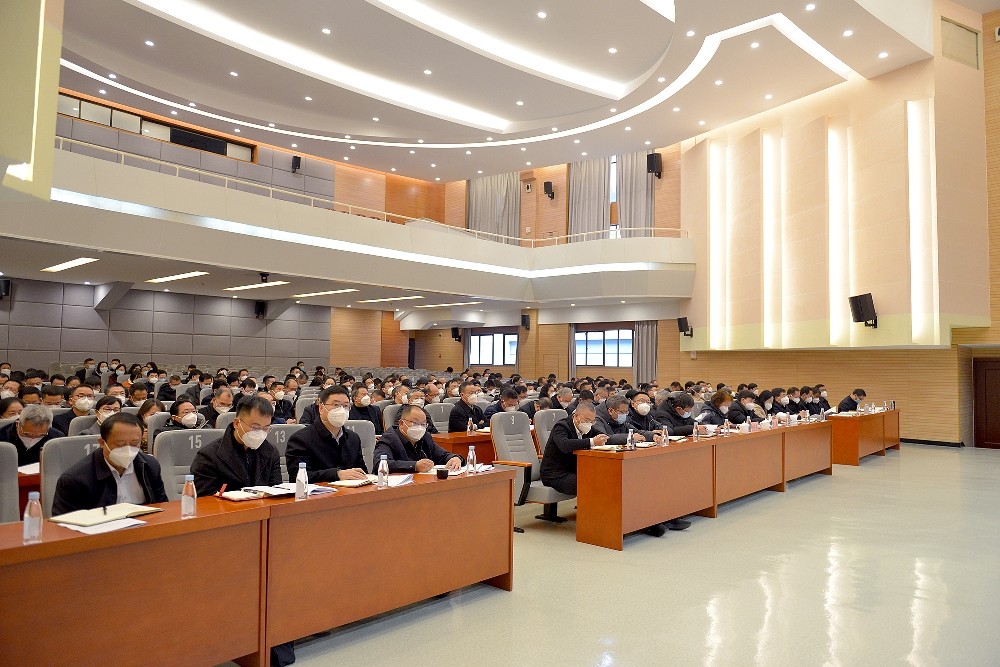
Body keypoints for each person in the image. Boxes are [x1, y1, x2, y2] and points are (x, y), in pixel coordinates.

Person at [51, 412, 168, 516]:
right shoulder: (75, 479)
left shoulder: (150, 466)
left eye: (134, 444)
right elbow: (64, 525)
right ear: (102, 443)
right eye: (120, 444)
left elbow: (163, 507)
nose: (128, 449)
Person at [190, 396, 283, 496]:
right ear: (237, 423)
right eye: (255, 427)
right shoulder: (208, 456)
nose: (260, 433)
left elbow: (276, 492)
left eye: (266, 428)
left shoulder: (271, 452)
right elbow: (204, 500)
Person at [285, 386, 369, 481]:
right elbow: (298, 476)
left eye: (345, 406)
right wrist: (336, 475)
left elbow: (362, 471)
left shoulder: (353, 438)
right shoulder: (301, 439)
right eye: (336, 405)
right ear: (321, 408)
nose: (341, 410)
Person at [539, 403, 606, 496]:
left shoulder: (587, 428)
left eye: (592, 421)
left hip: (573, 470)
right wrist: (592, 441)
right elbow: (565, 445)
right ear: (577, 416)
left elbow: (601, 435)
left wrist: (605, 438)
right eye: (587, 420)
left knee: (603, 477)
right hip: (554, 474)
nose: (589, 424)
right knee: (585, 482)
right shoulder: (561, 426)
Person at [374, 404, 463, 473]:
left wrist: (455, 458)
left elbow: (443, 455)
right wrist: (414, 466)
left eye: (423, 424)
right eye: (415, 423)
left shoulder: (425, 437)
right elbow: (380, 464)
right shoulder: (389, 439)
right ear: (401, 424)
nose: (420, 428)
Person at [595, 395, 662, 445]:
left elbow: (636, 431)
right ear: (610, 411)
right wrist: (629, 437)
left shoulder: (620, 420)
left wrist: (652, 436)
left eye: (626, 412)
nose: (624, 415)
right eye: (622, 412)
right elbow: (604, 438)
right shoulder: (596, 419)